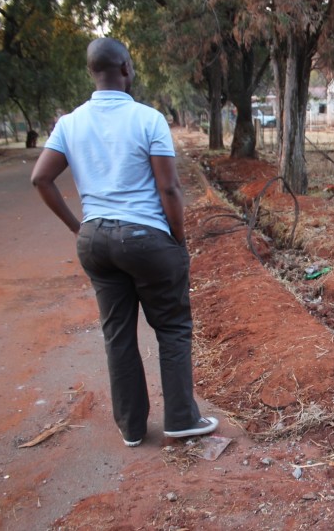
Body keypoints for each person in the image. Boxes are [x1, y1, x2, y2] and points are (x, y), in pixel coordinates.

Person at [30, 37, 217, 447]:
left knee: (118, 333)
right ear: (127, 69)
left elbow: (41, 178)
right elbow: (169, 190)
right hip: (146, 239)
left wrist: (77, 227)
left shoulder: (70, 123)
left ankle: (132, 428)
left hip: (95, 240)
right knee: (171, 326)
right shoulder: (148, 119)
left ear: (91, 72)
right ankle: (182, 418)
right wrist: (178, 240)